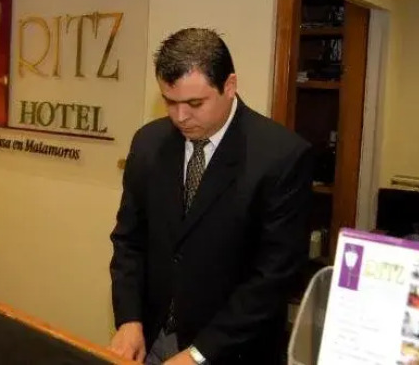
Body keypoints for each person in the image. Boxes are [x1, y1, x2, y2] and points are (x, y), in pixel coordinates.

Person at [108, 28, 313, 364]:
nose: (180, 117)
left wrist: (199, 353)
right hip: (153, 336)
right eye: (170, 102)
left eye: (194, 103)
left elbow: (274, 277)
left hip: (231, 349)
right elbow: (129, 240)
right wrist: (129, 319)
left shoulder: (281, 156)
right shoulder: (149, 143)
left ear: (229, 86)